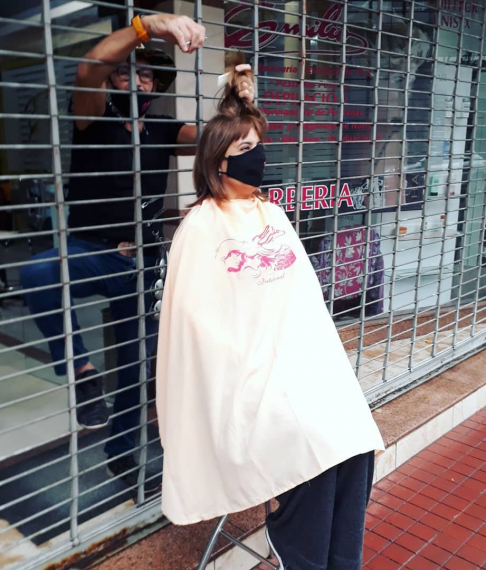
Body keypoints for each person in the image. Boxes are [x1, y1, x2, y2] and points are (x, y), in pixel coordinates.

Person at [155, 60, 385, 569]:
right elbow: (196, 329)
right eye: (245, 151)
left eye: (259, 146)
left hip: (297, 369)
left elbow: (302, 304)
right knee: (310, 442)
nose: (258, 158)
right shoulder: (199, 228)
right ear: (217, 164)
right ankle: (303, 555)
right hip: (243, 383)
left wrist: (305, 365)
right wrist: (260, 367)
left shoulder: (272, 214)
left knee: (354, 437)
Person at [20, 14, 254, 491]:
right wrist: (150, 26)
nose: (138, 80)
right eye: (128, 71)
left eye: (146, 74)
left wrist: (238, 100)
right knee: (40, 272)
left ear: (155, 84)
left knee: (136, 367)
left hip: (140, 263)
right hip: (90, 250)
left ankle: (122, 456)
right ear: (114, 79)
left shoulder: (163, 129)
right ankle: (83, 373)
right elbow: (88, 69)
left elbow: (220, 141)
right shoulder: (92, 116)